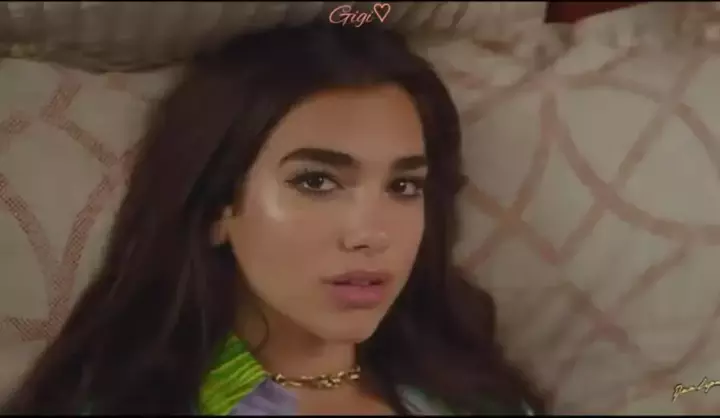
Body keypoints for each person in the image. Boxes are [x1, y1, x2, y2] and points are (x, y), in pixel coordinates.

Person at [2, 20, 545, 415]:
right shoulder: (136, 403)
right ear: (218, 205)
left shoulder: (469, 396)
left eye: (403, 187)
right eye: (316, 182)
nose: (371, 234)